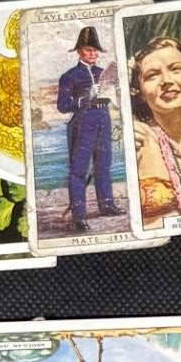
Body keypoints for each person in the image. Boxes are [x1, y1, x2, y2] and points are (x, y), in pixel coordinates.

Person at [55, 24, 120, 229]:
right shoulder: (70, 76)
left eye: (95, 50)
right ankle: (79, 215)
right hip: (83, 122)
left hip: (103, 118)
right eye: (88, 50)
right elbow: (63, 106)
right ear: (79, 51)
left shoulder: (104, 73)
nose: (93, 54)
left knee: (104, 165)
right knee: (78, 169)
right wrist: (84, 98)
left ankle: (106, 205)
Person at [128, 32, 181, 222]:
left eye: (175, 69)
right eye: (152, 75)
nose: (166, 81)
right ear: (140, 92)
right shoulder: (136, 139)